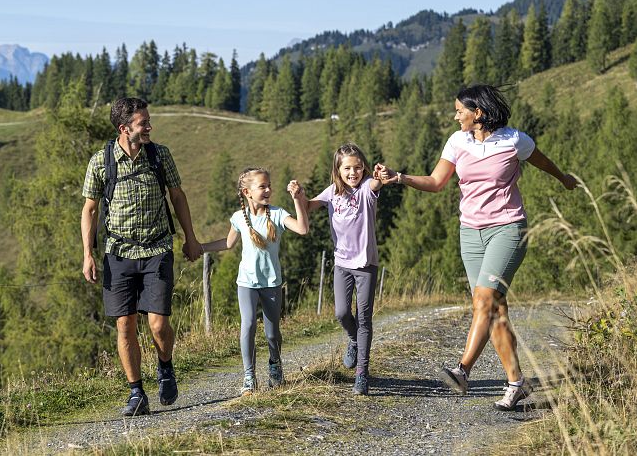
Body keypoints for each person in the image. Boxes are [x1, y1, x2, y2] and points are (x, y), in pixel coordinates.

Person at [375, 84, 577, 411]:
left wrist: (564, 178)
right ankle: (517, 383)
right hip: (470, 234)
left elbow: (543, 162)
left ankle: (462, 371)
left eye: (460, 111)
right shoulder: (457, 141)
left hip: (508, 229)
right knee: (493, 310)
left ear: (478, 113)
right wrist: (399, 177)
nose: (455, 116)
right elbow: (437, 182)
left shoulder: (514, 140)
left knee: (484, 300)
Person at [81, 97, 202, 417]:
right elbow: (89, 209)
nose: (149, 126)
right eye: (143, 123)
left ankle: (165, 367)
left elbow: (177, 196)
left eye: (148, 121)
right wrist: (87, 254)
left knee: (159, 324)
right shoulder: (101, 161)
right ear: (124, 129)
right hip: (118, 254)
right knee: (125, 324)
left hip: (157, 250)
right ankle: (137, 393)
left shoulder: (159, 155)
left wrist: (191, 238)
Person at [201, 168, 309, 396]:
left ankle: (275, 366)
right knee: (248, 325)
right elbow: (228, 243)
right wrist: (200, 248)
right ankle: (249, 377)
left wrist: (298, 200)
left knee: (272, 333)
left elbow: (302, 229)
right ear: (247, 192)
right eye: (262, 186)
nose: (268, 189)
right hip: (247, 283)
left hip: (271, 283)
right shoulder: (239, 217)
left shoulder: (278, 214)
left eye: (269, 185)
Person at [308, 143, 383, 396]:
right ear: (337, 170)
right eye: (347, 168)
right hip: (342, 264)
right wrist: (297, 196)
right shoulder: (332, 193)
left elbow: (376, 184)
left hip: (365, 264)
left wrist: (381, 177)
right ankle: (353, 340)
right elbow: (308, 206)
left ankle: (362, 373)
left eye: (358, 167)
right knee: (341, 313)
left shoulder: (366, 189)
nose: (353, 173)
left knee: (364, 318)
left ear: (365, 168)